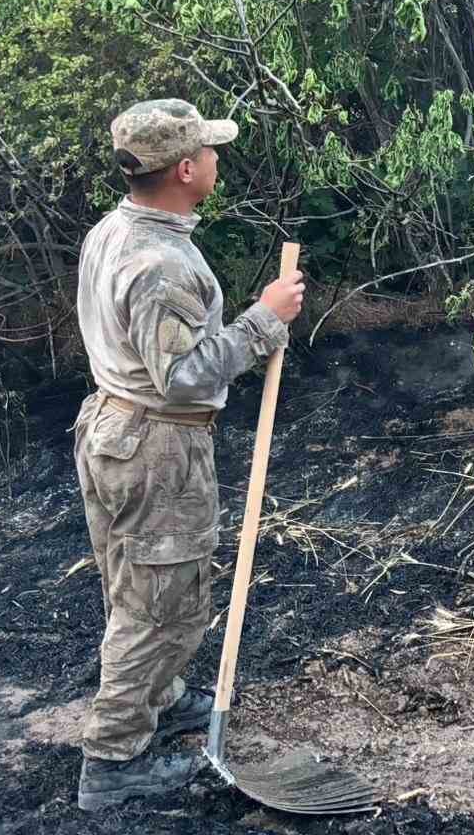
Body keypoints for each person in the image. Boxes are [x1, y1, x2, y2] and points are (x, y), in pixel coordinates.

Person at [72, 99, 305, 812]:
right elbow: (182, 374)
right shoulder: (160, 264)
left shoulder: (114, 230)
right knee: (159, 606)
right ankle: (112, 760)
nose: (215, 159)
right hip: (156, 443)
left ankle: (162, 696)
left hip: (115, 425)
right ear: (182, 169)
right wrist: (264, 320)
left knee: (138, 584)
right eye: (206, 150)